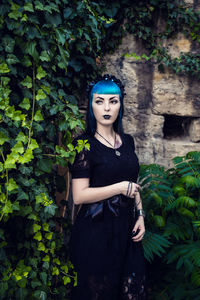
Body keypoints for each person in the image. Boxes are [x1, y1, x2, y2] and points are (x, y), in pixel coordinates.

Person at [68, 74, 146, 300]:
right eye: (99, 101)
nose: (106, 108)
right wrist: (119, 187)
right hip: (95, 232)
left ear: (120, 105)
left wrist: (140, 214)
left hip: (126, 231)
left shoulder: (128, 141)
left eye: (113, 101)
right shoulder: (84, 145)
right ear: (91, 105)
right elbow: (79, 195)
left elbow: (134, 181)